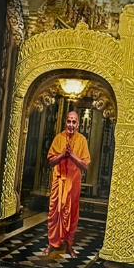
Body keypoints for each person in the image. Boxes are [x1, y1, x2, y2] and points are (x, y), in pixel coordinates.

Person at [44, 110, 90, 257]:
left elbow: (85, 166)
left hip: (73, 183)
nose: (71, 125)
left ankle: (69, 245)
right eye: (69, 121)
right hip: (59, 181)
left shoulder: (82, 140)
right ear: (65, 122)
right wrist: (63, 155)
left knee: (72, 213)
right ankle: (52, 243)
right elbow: (51, 162)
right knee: (55, 212)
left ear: (78, 124)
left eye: (74, 122)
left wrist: (73, 156)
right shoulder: (59, 138)